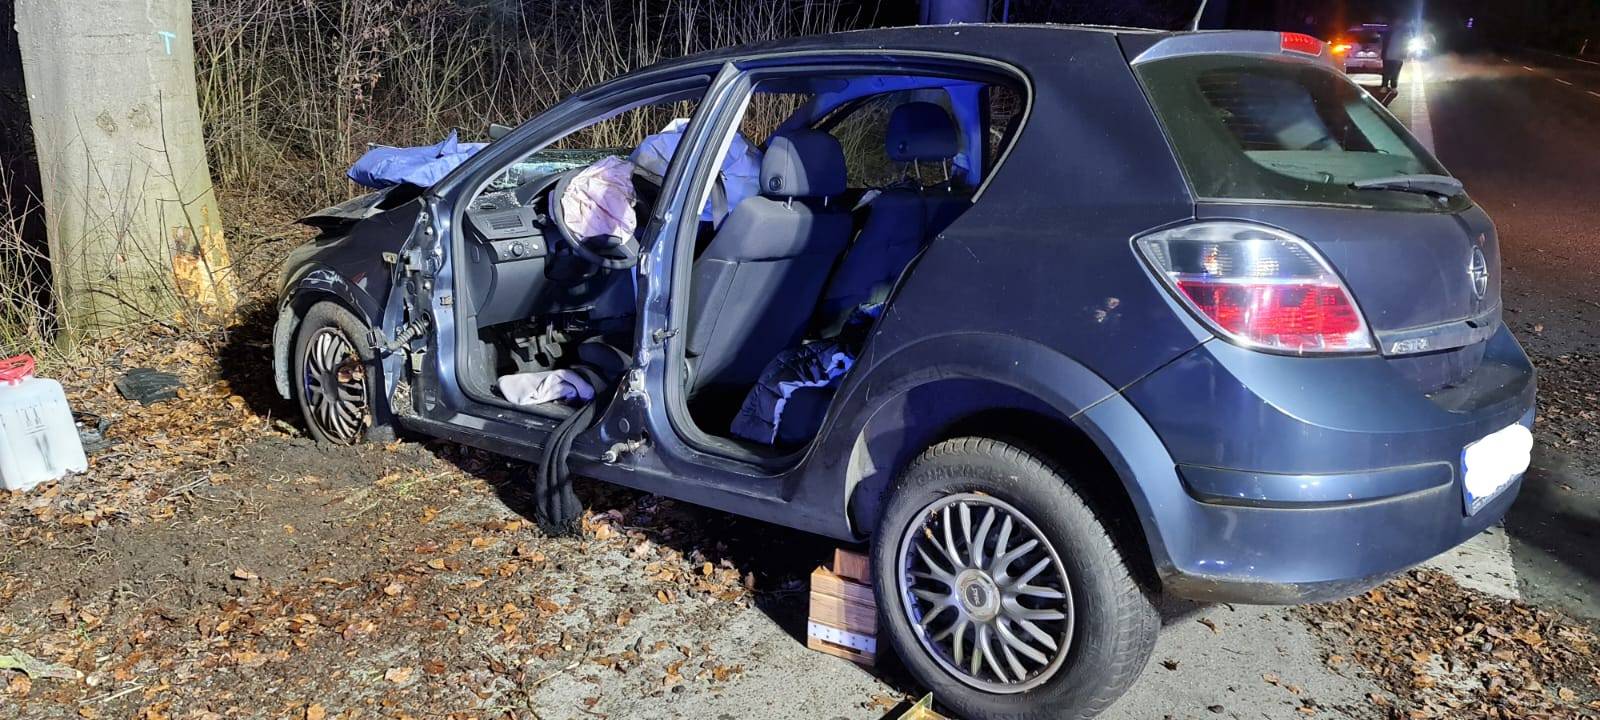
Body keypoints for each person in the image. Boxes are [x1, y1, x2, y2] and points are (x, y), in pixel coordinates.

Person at [1381, 21, 1408, 90]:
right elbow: (1383, 43)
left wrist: (1404, 54)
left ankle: (1392, 87)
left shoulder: (1403, 33)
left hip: (1397, 57)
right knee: (1387, 72)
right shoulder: (1389, 33)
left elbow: (1406, 44)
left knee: (1394, 73)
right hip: (1388, 56)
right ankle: (1385, 86)